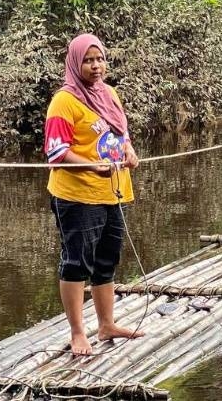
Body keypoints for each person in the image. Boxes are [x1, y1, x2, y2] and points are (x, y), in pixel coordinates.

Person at [44, 33, 143, 356]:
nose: (96, 66)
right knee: (76, 262)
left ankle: (106, 324)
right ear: (76, 63)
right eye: (88, 60)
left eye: (99, 59)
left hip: (111, 192)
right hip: (77, 195)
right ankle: (77, 332)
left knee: (107, 260)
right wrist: (89, 166)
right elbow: (56, 151)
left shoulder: (109, 93)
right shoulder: (65, 100)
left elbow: (121, 134)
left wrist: (129, 152)